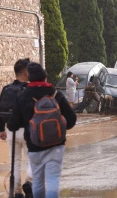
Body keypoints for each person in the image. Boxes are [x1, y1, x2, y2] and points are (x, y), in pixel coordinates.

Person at [8, 62, 77, 198]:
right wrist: (61, 128)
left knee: (38, 182)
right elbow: (72, 119)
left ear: (30, 78)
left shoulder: (22, 97)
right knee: (52, 180)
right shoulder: (56, 94)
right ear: (45, 77)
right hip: (56, 146)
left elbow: (13, 125)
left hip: (34, 146)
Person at [0, 58, 33, 198]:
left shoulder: (6, 89)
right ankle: (29, 183)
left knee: (15, 162)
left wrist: (1, 129)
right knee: (32, 160)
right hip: (28, 131)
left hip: (11, 131)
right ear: (26, 73)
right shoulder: (31, 90)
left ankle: (17, 191)